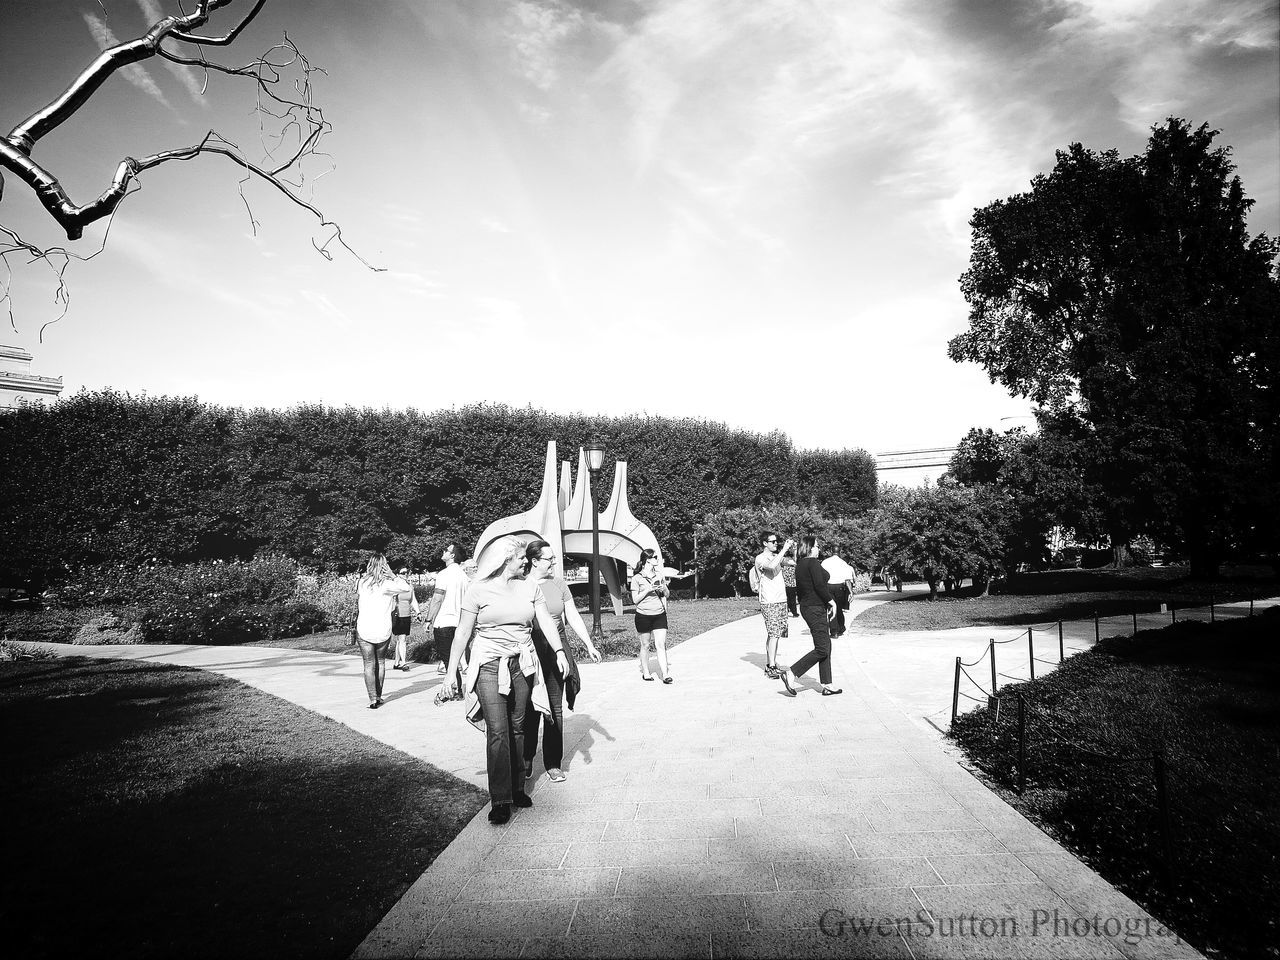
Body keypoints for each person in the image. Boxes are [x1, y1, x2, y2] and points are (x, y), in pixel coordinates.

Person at [444, 536, 566, 825]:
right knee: (498, 730)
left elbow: (545, 620)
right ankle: (500, 800)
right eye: (521, 557)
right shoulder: (478, 589)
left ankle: (517, 789)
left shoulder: (529, 587)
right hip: (488, 664)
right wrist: (451, 672)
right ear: (505, 559)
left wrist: (559, 650)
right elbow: (462, 632)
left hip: (522, 663)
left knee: (519, 726)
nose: (526, 561)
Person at [522, 539, 603, 784]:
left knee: (554, 709)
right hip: (530, 650)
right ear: (534, 561)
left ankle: (553, 764)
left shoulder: (559, 584)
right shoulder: (520, 585)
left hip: (556, 649)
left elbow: (572, 616)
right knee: (530, 708)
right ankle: (525, 759)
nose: (554, 562)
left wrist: (588, 644)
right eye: (549, 558)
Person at [779, 535, 842, 697]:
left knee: (825, 645)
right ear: (810, 547)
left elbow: (819, 579)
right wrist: (832, 602)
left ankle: (828, 684)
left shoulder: (801, 564)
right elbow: (820, 585)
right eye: (816, 546)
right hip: (815, 608)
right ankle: (792, 672)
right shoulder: (812, 563)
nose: (819, 548)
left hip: (809, 607)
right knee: (822, 648)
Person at [355, 554, 412, 708]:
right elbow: (406, 587)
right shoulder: (387, 584)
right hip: (382, 628)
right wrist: (393, 575)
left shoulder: (362, 582)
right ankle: (379, 696)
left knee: (368, 664)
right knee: (380, 663)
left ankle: (372, 698)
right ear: (384, 565)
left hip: (364, 628)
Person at [424, 542, 469, 680]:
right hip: (460, 622)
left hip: (444, 622)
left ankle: (455, 688)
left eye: (446, 550)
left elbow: (437, 598)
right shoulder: (464, 576)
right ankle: (458, 688)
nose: (443, 551)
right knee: (455, 658)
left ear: (452, 555)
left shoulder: (443, 574)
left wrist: (428, 620)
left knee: (448, 660)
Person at [753, 532, 795, 678]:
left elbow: (792, 563)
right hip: (769, 601)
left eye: (777, 541)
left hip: (781, 600)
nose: (776, 543)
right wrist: (784, 549)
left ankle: (771, 662)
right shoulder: (760, 558)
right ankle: (771, 667)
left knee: (776, 634)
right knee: (774, 633)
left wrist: (793, 551)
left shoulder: (775, 556)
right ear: (765, 543)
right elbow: (771, 567)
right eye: (773, 541)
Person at [631, 547, 672, 683]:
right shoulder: (637, 578)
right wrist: (648, 590)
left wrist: (664, 588)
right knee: (646, 645)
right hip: (643, 615)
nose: (657, 559)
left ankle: (665, 675)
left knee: (661, 644)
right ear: (647, 560)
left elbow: (667, 595)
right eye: (654, 557)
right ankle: (646, 672)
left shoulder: (659, 575)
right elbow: (635, 600)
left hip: (659, 614)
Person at [390, 567, 420, 670]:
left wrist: (418, 612)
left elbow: (413, 600)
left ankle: (397, 662)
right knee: (402, 638)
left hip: (406, 614)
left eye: (407, 572)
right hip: (397, 614)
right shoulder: (396, 585)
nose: (405, 574)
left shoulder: (409, 585)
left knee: (401, 639)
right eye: (403, 573)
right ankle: (403, 662)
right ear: (398, 574)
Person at [820, 550, 855, 639]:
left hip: (828, 587)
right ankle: (840, 627)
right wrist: (851, 592)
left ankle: (834, 631)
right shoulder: (843, 563)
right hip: (840, 587)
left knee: (831, 608)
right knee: (839, 608)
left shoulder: (825, 562)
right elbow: (847, 580)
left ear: (831, 551)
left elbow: (821, 577)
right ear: (839, 552)